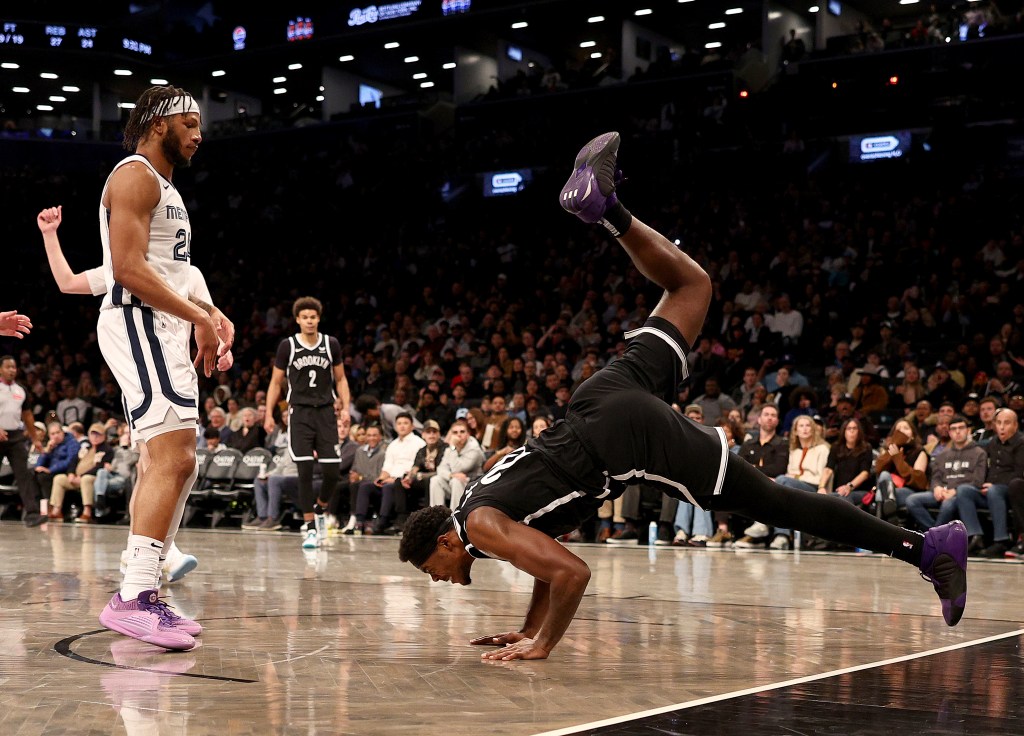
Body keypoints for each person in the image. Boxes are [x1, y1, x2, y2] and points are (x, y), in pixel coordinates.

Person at [399, 132, 967, 661]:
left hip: (619, 441)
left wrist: (543, 645)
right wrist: (528, 628)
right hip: (595, 400)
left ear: (448, 540)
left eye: (432, 568)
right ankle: (608, 210)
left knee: (778, 503)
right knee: (691, 287)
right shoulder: (477, 500)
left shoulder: (480, 531)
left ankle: (928, 550)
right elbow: (546, 560)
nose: (438, 579)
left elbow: (572, 573)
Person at [94, 85, 230, 651]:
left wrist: (212, 313)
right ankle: (132, 596)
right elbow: (126, 268)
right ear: (158, 123)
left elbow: (171, 271)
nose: (199, 134)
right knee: (170, 456)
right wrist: (198, 315)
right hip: (139, 323)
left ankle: (149, 590)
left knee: (179, 461)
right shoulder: (135, 176)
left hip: (162, 324)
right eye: (191, 122)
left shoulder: (165, 186)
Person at [37, 205, 231, 583]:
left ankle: (140, 552)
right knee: (154, 461)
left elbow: (210, 318)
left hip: (172, 364)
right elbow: (67, 282)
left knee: (162, 464)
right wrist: (49, 235)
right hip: (144, 361)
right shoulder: (125, 271)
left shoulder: (189, 273)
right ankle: (152, 555)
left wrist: (224, 348)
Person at [264, 296, 351, 550]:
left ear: (318, 318)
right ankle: (311, 527)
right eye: (305, 317)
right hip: (299, 413)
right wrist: (269, 413)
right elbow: (275, 382)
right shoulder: (287, 346)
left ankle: (320, 509)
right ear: (298, 320)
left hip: (325, 412)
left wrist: (345, 407)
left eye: (313, 316)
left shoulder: (330, 343)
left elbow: (342, 379)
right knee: (303, 472)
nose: (310, 320)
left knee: (332, 473)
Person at [904, 416, 985, 533]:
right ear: (950, 433)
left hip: (962, 495)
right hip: (942, 492)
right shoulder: (942, 455)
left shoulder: (979, 452)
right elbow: (935, 477)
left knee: (948, 504)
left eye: (961, 428)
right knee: (912, 500)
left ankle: (933, 537)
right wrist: (937, 488)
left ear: (968, 431)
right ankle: (934, 533)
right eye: (953, 429)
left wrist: (955, 491)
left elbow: (978, 480)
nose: (957, 432)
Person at [0, 355, 44, 526]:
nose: (12, 370)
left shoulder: (21, 390)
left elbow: (27, 416)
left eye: (14, 367)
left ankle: (32, 514)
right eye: (8, 367)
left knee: (23, 474)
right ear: (1, 369)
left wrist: (35, 438)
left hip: (15, 437)